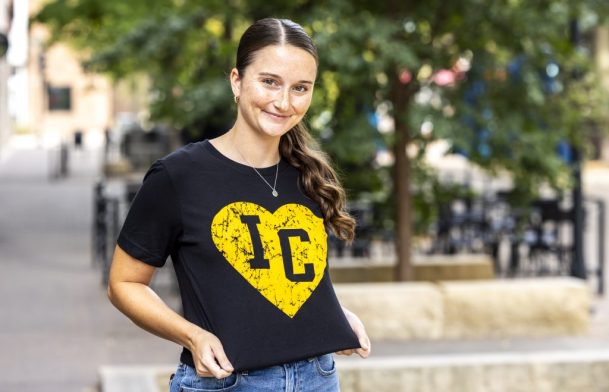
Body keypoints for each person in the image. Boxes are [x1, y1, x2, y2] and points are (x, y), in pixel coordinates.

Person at [107, 17, 371, 392]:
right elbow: (123, 283)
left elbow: (280, 274)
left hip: (318, 378)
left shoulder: (309, 175)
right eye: (269, 82)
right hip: (227, 382)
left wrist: (331, 317)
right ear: (236, 81)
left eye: (300, 88)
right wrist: (192, 336)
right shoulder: (179, 176)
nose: (284, 102)